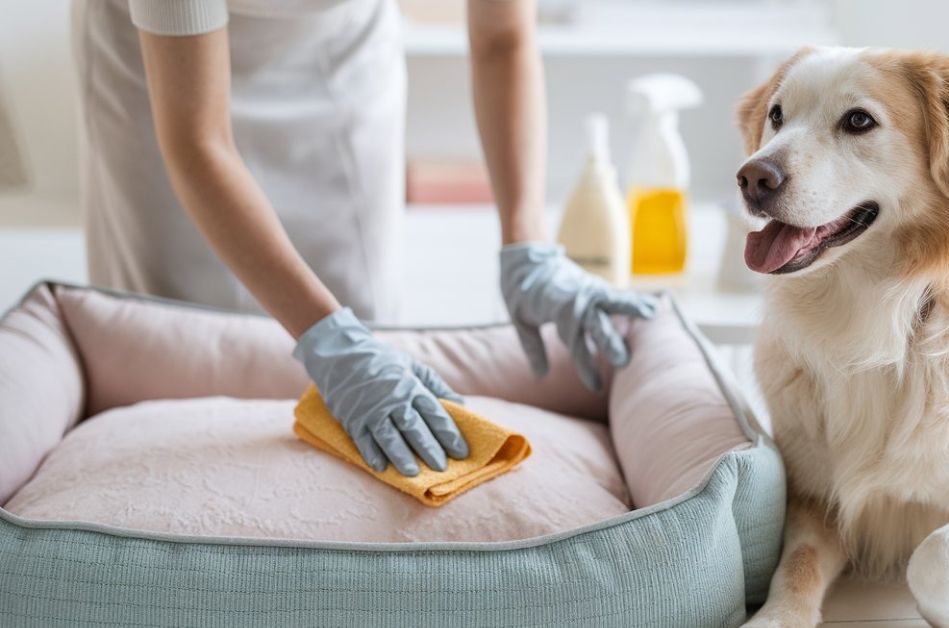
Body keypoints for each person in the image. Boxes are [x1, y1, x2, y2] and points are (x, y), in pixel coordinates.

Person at [71, 0, 654, 477]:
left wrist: (528, 247)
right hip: (160, 71)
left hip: (339, 53)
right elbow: (198, 143)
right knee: (178, 347)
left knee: (366, 326)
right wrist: (330, 341)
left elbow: (503, 37)